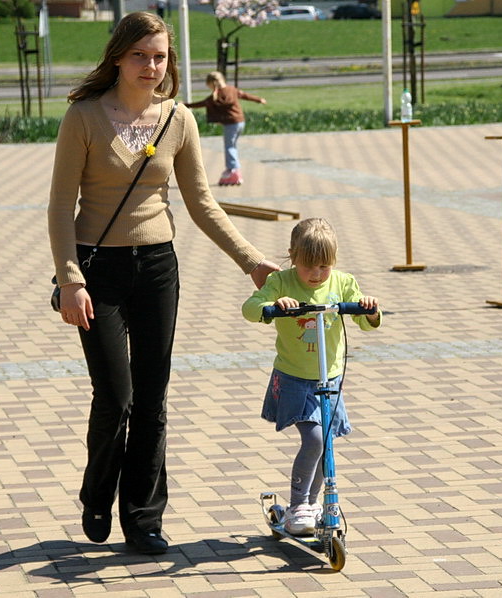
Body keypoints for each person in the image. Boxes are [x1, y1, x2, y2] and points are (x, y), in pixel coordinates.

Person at [47, 12, 279, 555]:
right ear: (118, 57)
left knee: (152, 397)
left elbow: (201, 203)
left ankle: (144, 519)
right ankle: (97, 494)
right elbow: (61, 207)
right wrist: (71, 280)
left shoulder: (177, 119)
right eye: (141, 56)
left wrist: (252, 261)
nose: (152, 66)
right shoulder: (82, 117)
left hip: (157, 270)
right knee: (116, 397)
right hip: (95, 272)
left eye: (161, 57)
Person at [241, 218, 381, 535]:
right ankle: (297, 505)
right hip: (295, 378)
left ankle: (313, 504)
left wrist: (369, 308)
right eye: (308, 267)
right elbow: (250, 308)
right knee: (315, 439)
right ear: (292, 256)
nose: (316, 275)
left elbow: (369, 319)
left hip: (330, 379)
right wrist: (272, 304)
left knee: (326, 443)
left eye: (323, 267)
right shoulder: (282, 281)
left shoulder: (343, 282)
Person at [185, 71, 266, 187]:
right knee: (232, 146)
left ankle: (233, 170)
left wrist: (187, 105)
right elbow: (244, 95)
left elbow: (203, 103)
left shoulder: (218, 95)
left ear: (212, 84)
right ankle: (234, 169)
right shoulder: (232, 89)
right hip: (240, 122)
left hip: (231, 124)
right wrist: (259, 99)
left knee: (229, 147)